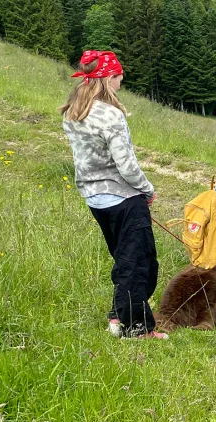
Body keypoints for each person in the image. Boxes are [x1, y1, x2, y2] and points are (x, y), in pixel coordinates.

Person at [61, 50, 167, 340]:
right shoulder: (111, 115)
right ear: (108, 79)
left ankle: (118, 314)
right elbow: (127, 165)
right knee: (139, 264)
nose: (121, 82)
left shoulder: (73, 111)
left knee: (125, 259)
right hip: (123, 197)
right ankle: (136, 330)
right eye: (119, 77)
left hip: (95, 198)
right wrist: (147, 189)